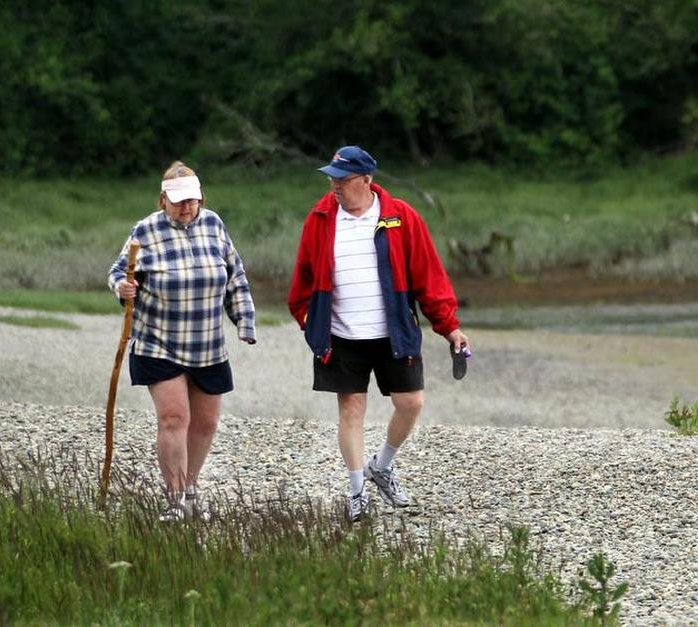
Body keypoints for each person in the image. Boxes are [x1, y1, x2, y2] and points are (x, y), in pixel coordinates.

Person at [288, 145, 470, 522]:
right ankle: (356, 492)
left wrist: (449, 327)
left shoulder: (400, 217)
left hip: (393, 333)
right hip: (341, 337)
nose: (334, 186)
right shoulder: (321, 217)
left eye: (342, 179)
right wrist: (312, 323)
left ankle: (381, 466)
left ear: (367, 180)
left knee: (411, 403)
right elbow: (302, 281)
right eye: (331, 179)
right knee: (351, 411)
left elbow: (429, 277)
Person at [109, 161, 257, 522]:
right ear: (163, 200)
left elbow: (234, 275)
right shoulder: (145, 231)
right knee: (175, 417)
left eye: (192, 200)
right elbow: (117, 273)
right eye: (178, 201)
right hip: (159, 341)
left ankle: (190, 488)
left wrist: (244, 320)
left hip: (207, 343)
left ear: (201, 198)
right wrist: (123, 288)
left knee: (205, 423)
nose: (186, 208)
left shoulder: (214, 225)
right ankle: (174, 498)